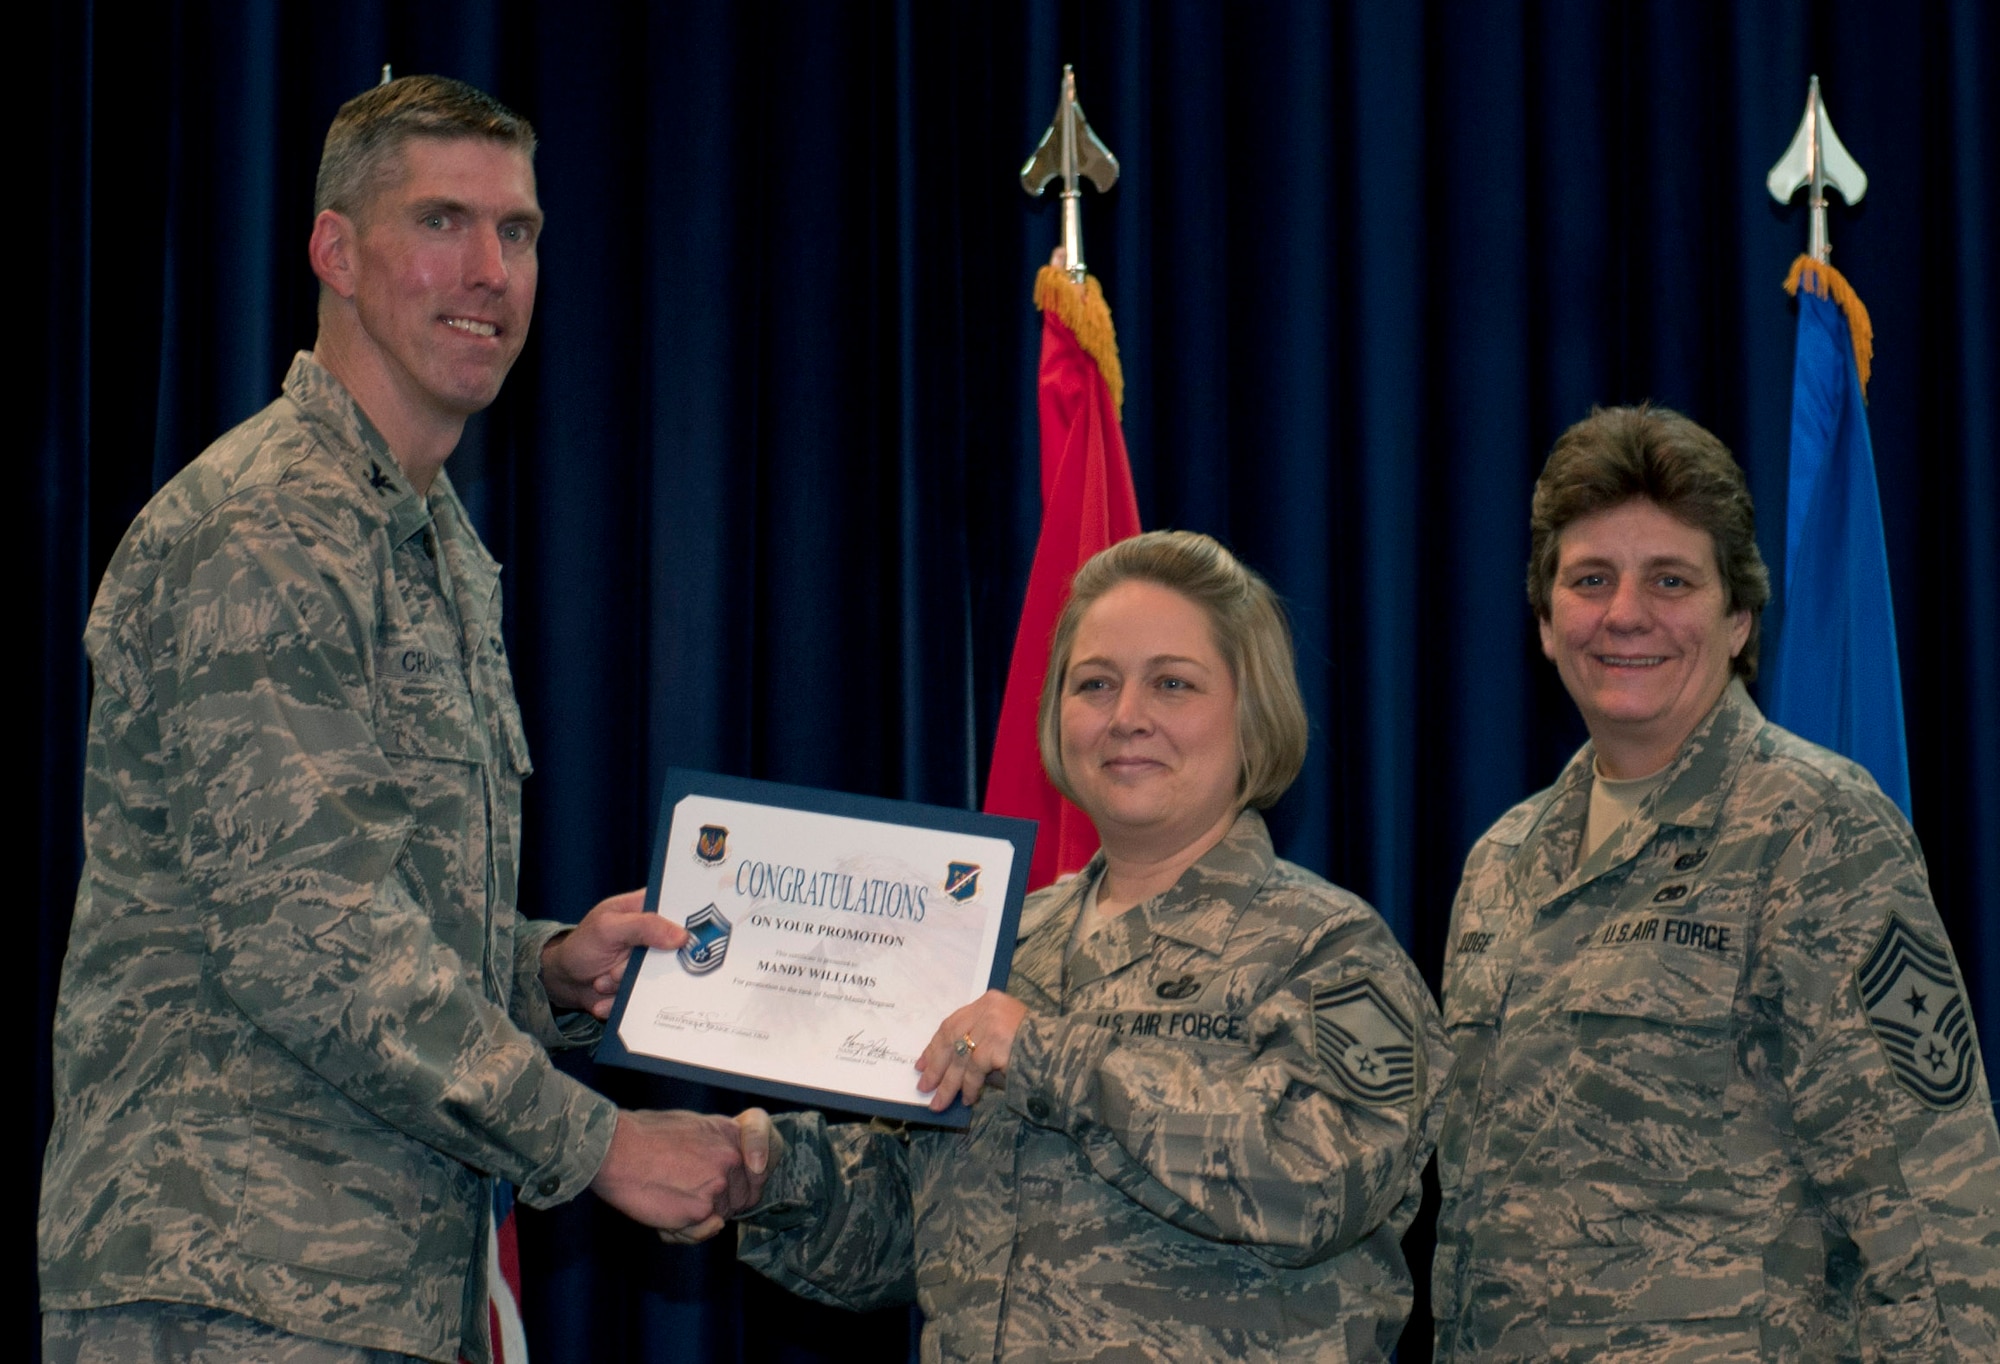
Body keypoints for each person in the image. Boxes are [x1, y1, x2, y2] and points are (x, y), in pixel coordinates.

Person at [39, 76, 764, 1364]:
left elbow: (378, 906)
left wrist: (541, 971)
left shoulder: (428, 539)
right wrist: (602, 1144)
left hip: (371, 1288)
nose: (489, 271)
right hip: (227, 1284)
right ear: (335, 250)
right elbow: (314, 942)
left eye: (520, 233)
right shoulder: (261, 529)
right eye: (442, 221)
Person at [734, 530, 1451, 1362]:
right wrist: (771, 1175)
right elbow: (909, 1233)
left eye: (1172, 684)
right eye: (1095, 684)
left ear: (1252, 717)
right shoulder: (999, 946)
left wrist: (1046, 1056)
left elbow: (1320, 1184)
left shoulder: (1329, 950)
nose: (1126, 718)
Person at [1431, 405, 2000, 1360]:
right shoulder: (1502, 862)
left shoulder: (1818, 828)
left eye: (1670, 580)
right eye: (1590, 580)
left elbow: (1932, 1202)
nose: (1625, 615)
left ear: (1737, 618)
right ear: (1543, 620)